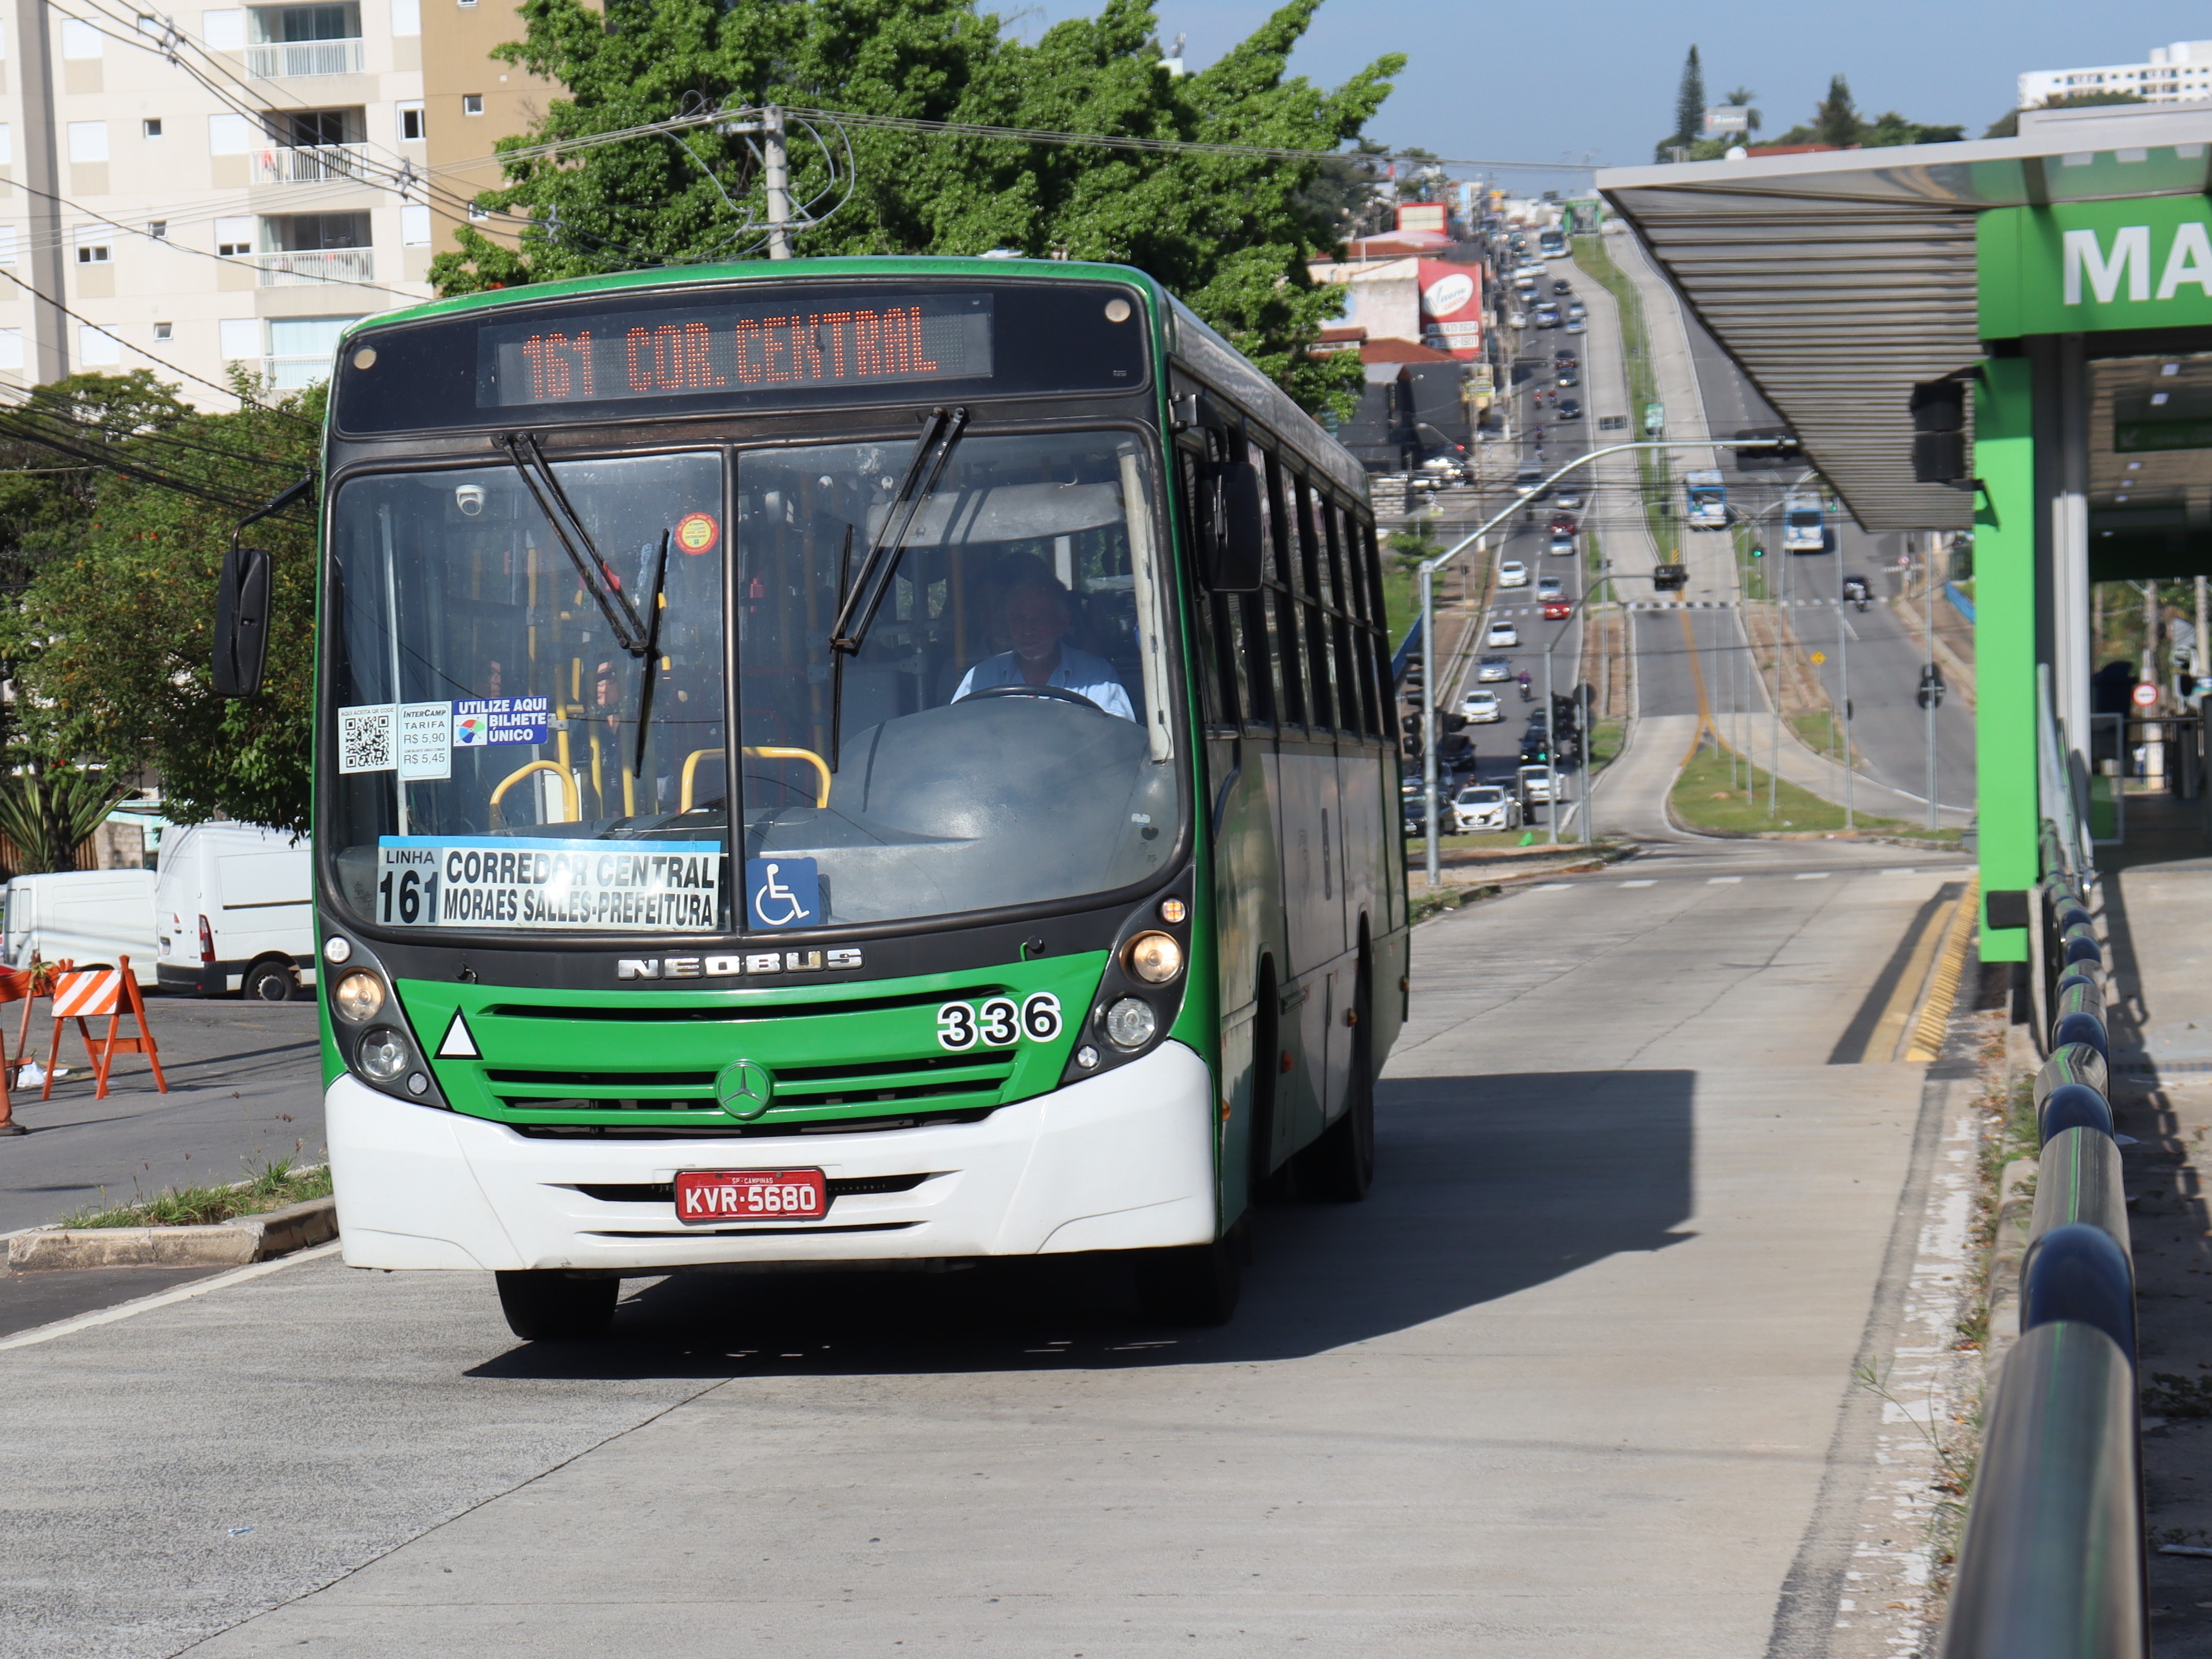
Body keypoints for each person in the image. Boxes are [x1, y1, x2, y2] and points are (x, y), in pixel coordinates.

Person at [954, 576, 1134, 720]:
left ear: (1062, 623)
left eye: (1039, 618)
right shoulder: (980, 678)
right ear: (1009, 623)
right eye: (1019, 619)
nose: (1027, 630)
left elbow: (1118, 741)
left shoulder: (1096, 676)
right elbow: (956, 734)